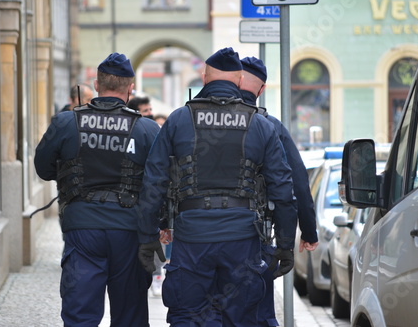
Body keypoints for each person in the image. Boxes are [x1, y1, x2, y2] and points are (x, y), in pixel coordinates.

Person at [137, 47, 298, 326]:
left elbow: (154, 180)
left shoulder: (179, 119)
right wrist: (285, 244)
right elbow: (283, 188)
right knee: (241, 316)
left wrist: (147, 235)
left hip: (192, 236)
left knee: (189, 315)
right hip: (243, 237)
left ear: (204, 77)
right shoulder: (259, 124)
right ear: (238, 81)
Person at [34, 52, 161, 327]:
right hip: (129, 230)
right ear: (130, 87)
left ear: (97, 83)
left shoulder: (66, 122)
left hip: (82, 229)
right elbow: (160, 182)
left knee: (80, 314)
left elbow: (43, 169)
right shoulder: (147, 130)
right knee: (130, 316)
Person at [240, 56, 319, 327]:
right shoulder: (269, 125)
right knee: (258, 315)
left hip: (198, 239)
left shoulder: (194, 117)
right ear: (261, 90)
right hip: (254, 236)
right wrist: (306, 234)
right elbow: (296, 185)